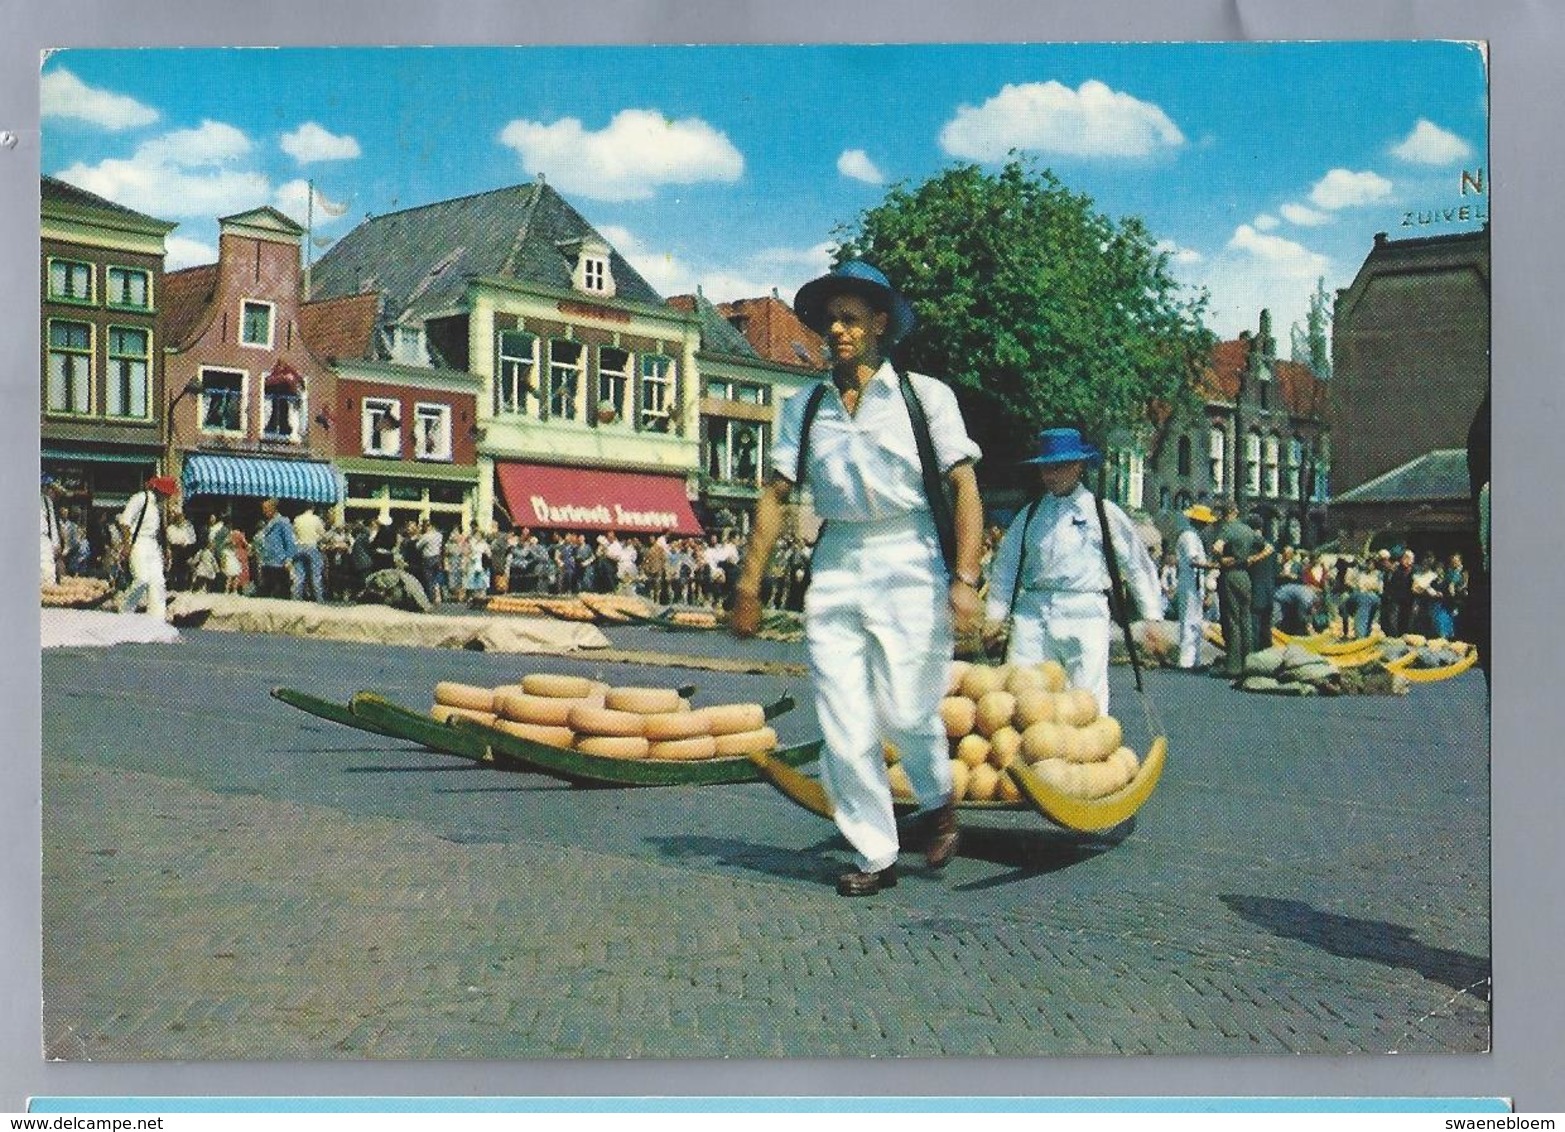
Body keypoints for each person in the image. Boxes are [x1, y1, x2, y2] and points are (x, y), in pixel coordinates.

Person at [731, 259, 985, 898]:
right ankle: (876, 851)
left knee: (906, 707)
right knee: (843, 714)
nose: (836, 332)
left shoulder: (926, 398)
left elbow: (964, 486)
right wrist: (749, 585)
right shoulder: (805, 407)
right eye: (828, 321)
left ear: (880, 323)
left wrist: (966, 578)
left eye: (849, 319)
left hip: (910, 553)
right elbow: (774, 494)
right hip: (838, 556)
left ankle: (936, 799)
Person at [984, 429, 1164, 711]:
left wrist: (1152, 617)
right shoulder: (1031, 514)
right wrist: (996, 613)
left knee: (1085, 698)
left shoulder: (1102, 513)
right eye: (1045, 468)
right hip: (1033, 611)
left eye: (1058, 467)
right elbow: (1005, 565)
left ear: (1078, 466)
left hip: (1085, 611)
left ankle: (1088, 754)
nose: (1049, 475)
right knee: (1021, 692)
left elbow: (1136, 564)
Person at [1207, 500, 1266, 678]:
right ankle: (1248, 662)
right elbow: (1268, 547)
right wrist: (1250, 559)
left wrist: (1221, 559)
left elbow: (1216, 547)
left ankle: (1233, 666)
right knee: (1245, 618)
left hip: (1230, 575)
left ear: (1225, 513)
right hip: (1245, 576)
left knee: (1232, 619)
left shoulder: (1227, 529)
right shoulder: (1247, 530)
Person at [118, 475, 178, 619]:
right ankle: (125, 611)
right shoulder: (140, 498)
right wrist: (127, 545)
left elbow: (159, 530)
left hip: (153, 545)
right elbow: (125, 522)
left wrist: (165, 549)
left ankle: (157, 619)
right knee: (142, 579)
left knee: (158, 582)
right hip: (138, 542)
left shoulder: (158, 506)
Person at [1173, 504, 1216, 670]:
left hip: (1194, 581)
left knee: (1195, 621)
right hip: (1190, 581)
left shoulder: (1194, 535)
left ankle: (1194, 659)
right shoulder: (1189, 536)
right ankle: (1187, 660)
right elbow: (1194, 560)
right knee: (1189, 620)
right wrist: (1212, 565)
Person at [255, 498, 299, 599]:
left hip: (280, 562)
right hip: (267, 562)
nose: (264, 511)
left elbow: (290, 541)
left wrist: (289, 559)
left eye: (266, 508)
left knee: (281, 593)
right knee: (264, 594)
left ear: (273, 509)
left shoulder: (283, 522)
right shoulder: (268, 524)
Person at [292, 503, 327, 601]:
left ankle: (295, 598)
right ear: (313, 508)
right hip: (312, 546)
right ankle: (319, 599)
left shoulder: (297, 519)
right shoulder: (316, 519)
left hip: (299, 547)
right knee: (316, 575)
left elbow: (293, 535)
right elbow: (323, 534)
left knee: (299, 574)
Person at [40, 474, 65, 586]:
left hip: (43, 541)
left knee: (47, 576)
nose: (55, 495)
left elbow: (52, 525)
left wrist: (55, 544)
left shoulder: (47, 502)